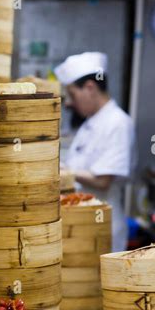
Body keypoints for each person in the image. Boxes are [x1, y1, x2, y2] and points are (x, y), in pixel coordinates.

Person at [54, 52, 136, 252]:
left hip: (101, 224)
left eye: (72, 95)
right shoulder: (91, 123)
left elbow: (103, 180)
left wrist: (62, 170)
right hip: (82, 221)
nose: (69, 103)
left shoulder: (118, 123)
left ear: (90, 87)